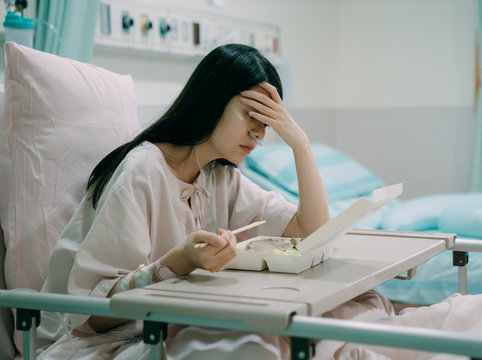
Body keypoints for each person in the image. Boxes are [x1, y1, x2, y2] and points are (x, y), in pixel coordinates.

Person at [35, 43, 392, 359]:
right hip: (108, 340)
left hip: (171, 324)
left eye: (268, 124)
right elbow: (92, 316)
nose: (258, 134)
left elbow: (310, 233)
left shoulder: (218, 176)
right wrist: (175, 263)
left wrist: (300, 144)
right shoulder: (143, 169)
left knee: (363, 304)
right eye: (253, 116)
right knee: (258, 340)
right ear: (212, 100)